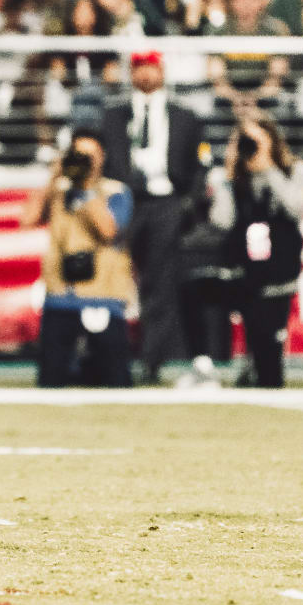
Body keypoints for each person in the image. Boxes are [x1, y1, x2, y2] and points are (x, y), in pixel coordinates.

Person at [181, 112, 303, 388]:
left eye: (255, 141)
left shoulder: (295, 171)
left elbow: (295, 209)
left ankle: (253, 373)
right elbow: (222, 221)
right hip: (242, 276)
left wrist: (268, 167)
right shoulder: (232, 179)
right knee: (191, 289)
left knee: (268, 372)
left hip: (275, 283)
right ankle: (202, 365)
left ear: (271, 141)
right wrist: (228, 178)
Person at [100, 51, 205, 384]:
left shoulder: (184, 116)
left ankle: (151, 361)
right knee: (112, 273)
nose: (145, 75)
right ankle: (105, 355)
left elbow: (198, 166)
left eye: (151, 68)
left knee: (160, 283)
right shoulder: (114, 115)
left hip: (165, 202)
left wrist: (187, 204)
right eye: (139, 69)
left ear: (161, 71)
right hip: (124, 199)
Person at [22, 130, 136, 388]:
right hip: (60, 296)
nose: (84, 161)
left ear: (102, 158)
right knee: (51, 379)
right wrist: (53, 177)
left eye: (90, 155)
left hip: (103, 295)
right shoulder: (59, 191)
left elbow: (109, 231)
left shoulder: (115, 191)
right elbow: (27, 219)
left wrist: (86, 190)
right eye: (79, 155)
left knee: (115, 379)